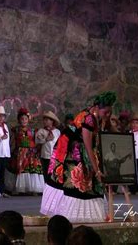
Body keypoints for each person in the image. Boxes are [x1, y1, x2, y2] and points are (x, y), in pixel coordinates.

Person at [41, 91, 116, 223]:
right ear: (97, 108)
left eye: (110, 112)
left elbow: (109, 127)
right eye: (106, 112)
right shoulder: (88, 119)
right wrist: (97, 170)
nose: (108, 115)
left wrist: (123, 138)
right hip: (70, 148)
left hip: (79, 147)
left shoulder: (97, 114)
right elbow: (88, 147)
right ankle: (72, 215)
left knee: (88, 178)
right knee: (78, 178)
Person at [9, 108, 44, 194]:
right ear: (19, 120)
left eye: (25, 119)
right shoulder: (16, 130)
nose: (24, 121)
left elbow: (37, 141)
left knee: (32, 169)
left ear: (28, 120)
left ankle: (33, 188)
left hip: (31, 153)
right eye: (22, 119)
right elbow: (13, 141)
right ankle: (22, 188)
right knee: (21, 169)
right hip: (20, 152)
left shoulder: (33, 131)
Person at [36, 111, 61, 184]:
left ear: (52, 121)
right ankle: (46, 186)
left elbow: (60, 143)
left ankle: (53, 188)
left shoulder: (57, 131)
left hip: (55, 156)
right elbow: (37, 140)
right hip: (45, 156)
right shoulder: (41, 131)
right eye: (44, 120)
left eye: (47, 120)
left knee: (54, 173)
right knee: (46, 172)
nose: (45, 121)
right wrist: (46, 139)